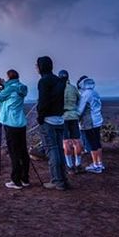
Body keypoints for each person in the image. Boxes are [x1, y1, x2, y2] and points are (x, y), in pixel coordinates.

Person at [0, 69, 30, 189]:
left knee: (14, 153)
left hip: (10, 123)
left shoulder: (9, 88)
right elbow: (9, 90)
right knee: (23, 151)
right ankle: (25, 179)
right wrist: (3, 85)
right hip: (21, 123)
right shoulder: (22, 87)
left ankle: (16, 181)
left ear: (9, 78)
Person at [36, 56, 70, 191]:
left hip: (48, 120)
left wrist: (40, 116)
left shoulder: (43, 81)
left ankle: (57, 181)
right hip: (60, 118)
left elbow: (43, 101)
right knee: (59, 150)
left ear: (41, 66)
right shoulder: (58, 80)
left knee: (52, 149)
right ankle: (63, 179)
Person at [77, 76, 105, 173]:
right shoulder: (94, 92)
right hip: (97, 120)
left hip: (90, 122)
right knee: (97, 142)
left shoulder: (85, 94)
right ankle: (100, 163)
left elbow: (80, 110)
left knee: (92, 143)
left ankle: (96, 165)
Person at [60, 70, 84, 174]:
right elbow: (80, 100)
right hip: (74, 116)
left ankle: (70, 166)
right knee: (77, 141)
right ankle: (78, 165)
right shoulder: (73, 88)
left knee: (66, 142)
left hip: (63, 117)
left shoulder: (58, 89)